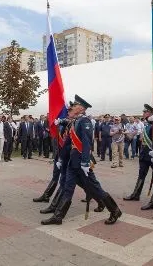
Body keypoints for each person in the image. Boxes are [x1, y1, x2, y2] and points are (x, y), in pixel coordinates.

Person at [41, 95, 122, 226]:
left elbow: (86, 143)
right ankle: (58, 216)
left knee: (96, 188)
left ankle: (115, 210)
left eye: (75, 106)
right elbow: (67, 141)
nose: (72, 108)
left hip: (82, 163)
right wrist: (61, 158)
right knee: (67, 188)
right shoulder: (74, 121)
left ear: (82, 108)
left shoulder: (85, 122)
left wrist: (85, 162)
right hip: (73, 162)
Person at [123, 104, 153, 201]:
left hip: (152, 155)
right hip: (144, 154)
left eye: (145, 112)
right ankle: (136, 194)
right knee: (141, 174)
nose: (143, 113)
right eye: (143, 111)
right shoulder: (146, 124)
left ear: (151, 113)